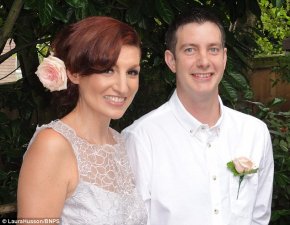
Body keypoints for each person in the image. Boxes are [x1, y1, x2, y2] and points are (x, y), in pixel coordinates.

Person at [122, 7, 274, 225]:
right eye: (190, 50)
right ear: (171, 60)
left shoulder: (255, 133)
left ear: (224, 57)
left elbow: (258, 219)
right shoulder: (141, 139)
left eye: (213, 49)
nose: (204, 61)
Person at [17, 16, 147, 225]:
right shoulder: (52, 146)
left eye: (132, 72)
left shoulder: (120, 142)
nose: (123, 87)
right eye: (108, 70)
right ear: (74, 73)